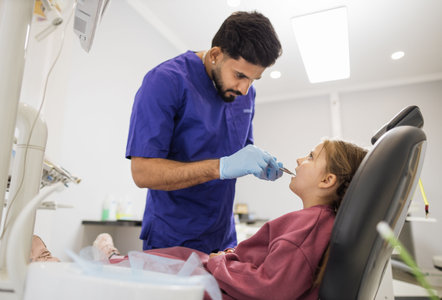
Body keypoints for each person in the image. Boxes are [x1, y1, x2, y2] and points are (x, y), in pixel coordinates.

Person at [97, 139, 368, 300]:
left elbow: (270, 287)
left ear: (327, 180)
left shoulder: (309, 226)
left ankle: (108, 261)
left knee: (178, 263)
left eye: (310, 156)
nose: (299, 159)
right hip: (227, 280)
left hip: (221, 286)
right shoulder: (315, 222)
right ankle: (114, 261)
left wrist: (219, 262)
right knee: (180, 256)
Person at [126, 11, 283, 254]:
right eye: (240, 75)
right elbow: (142, 172)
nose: (245, 88)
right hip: (172, 238)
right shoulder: (165, 81)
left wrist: (256, 163)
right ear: (215, 55)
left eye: (254, 79)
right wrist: (220, 167)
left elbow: (241, 153)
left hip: (223, 238)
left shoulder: (245, 93)